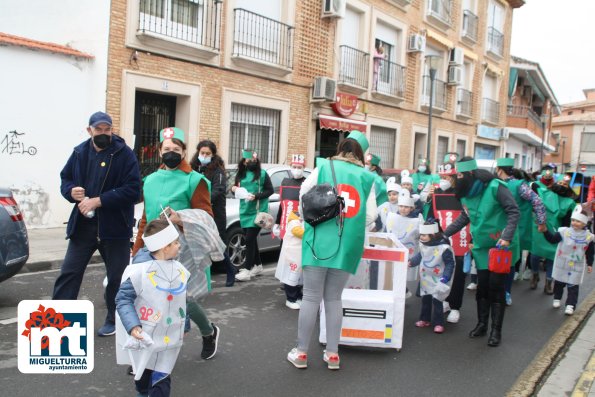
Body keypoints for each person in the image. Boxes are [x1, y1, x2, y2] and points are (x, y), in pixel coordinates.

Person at [287, 130, 377, 370]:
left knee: (310, 297)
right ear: (361, 154)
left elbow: (304, 193)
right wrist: (350, 224)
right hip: (347, 245)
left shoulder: (324, 167)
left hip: (318, 240)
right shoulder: (367, 177)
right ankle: (333, 354)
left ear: (340, 148)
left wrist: (314, 218)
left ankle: (302, 353)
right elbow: (371, 215)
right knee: (334, 298)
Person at [132, 127, 220, 361]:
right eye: (167, 149)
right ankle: (149, 351)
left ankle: (208, 331)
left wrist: (181, 217)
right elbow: (145, 219)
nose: (171, 152)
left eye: (176, 149)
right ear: (160, 151)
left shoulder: (195, 180)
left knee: (184, 299)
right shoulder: (150, 180)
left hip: (180, 248)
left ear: (183, 152)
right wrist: (136, 249)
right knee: (149, 299)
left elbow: (206, 216)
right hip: (151, 248)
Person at [53, 111, 141, 336]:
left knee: (117, 278)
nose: (103, 133)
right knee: (69, 273)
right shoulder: (79, 152)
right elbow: (66, 179)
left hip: (115, 228)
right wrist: (70, 191)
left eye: (107, 129)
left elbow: (133, 191)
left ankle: (115, 320)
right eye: (98, 129)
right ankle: (59, 322)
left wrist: (98, 201)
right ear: (89, 130)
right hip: (83, 227)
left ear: (112, 129)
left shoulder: (125, 154)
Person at [443, 157, 520, 347]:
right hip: (481, 247)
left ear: (470, 174)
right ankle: (482, 324)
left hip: (501, 246)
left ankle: (496, 331)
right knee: (482, 287)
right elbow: (465, 216)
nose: (457, 178)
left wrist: (507, 236)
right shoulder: (466, 193)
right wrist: (443, 234)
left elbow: (513, 211)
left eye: (460, 175)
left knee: (496, 287)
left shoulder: (496, 187)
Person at [116, 218, 187, 397]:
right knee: (144, 382)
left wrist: (184, 324)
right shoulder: (139, 271)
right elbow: (123, 299)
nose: (179, 245)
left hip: (169, 338)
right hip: (145, 337)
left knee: (161, 382)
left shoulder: (177, 268)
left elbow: (182, 299)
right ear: (164, 247)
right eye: (175, 242)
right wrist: (133, 326)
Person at [495, 157, 547, 305]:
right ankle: (505, 293)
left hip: (497, 228)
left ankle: (500, 292)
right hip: (513, 229)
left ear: (499, 170)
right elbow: (537, 201)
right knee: (508, 262)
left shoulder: (497, 184)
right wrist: (541, 221)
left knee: (497, 260)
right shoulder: (520, 185)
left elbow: (536, 201)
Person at [425, 162, 471, 324]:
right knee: (443, 272)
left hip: (461, 238)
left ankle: (455, 307)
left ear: (453, 178)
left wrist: (472, 240)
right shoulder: (437, 193)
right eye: (441, 177)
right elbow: (432, 217)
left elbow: (470, 216)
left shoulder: (463, 194)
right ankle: (444, 300)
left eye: (446, 177)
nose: (443, 180)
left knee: (458, 274)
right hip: (442, 240)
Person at [190, 139, 237, 287]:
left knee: (217, 244)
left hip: (215, 213)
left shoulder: (218, 171)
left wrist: (202, 200)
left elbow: (218, 190)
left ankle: (230, 270)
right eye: (202, 153)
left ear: (213, 155)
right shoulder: (193, 168)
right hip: (196, 213)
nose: (204, 155)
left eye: (207, 153)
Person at [529, 175, 577, 294]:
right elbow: (533, 186)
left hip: (555, 231)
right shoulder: (543, 193)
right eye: (560, 182)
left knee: (552, 257)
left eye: (565, 184)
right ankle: (535, 275)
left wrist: (563, 234)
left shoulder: (569, 203)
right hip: (539, 228)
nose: (561, 185)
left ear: (569, 188)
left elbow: (567, 222)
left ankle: (548, 283)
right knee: (534, 255)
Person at [541, 208, 594, 315]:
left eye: (578, 221)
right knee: (559, 282)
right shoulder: (564, 232)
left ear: (584, 223)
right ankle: (557, 298)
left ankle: (570, 305)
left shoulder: (588, 237)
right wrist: (545, 231)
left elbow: (590, 251)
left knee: (573, 285)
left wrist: (589, 264)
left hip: (576, 265)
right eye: (573, 220)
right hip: (562, 263)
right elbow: (552, 240)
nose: (575, 223)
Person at [232, 149, 274, 281]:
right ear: (244, 161)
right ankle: (258, 265)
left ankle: (247, 269)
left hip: (258, 213)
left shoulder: (262, 174)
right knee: (251, 240)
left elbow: (270, 190)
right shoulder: (240, 174)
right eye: (248, 160)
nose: (251, 163)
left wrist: (256, 196)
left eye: (253, 160)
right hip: (244, 211)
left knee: (249, 240)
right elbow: (234, 189)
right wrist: (234, 190)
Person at [409, 221, 455, 334]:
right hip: (426, 277)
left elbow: (450, 263)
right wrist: (411, 262)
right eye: (421, 235)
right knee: (426, 299)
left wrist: (446, 277)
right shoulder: (423, 245)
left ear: (433, 235)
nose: (421, 237)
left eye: (424, 235)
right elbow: (421, 256)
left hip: (439, 278)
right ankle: (425, 319)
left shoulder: (444, 248)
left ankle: (438, 323)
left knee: (437, 300)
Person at [274, 154, 307, 308]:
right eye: (294, 167)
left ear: (303, 168)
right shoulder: (285, 182)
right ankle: (289, 289)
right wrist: (276, 223)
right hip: (286, 227)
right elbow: (282, 205)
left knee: (297, 262)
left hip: (298, 227)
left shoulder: (306, 185)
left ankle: (295, 290)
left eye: (299, 167)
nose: (296, 170)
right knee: (287, 260)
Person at [275, 210, 305, 309]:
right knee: (291, 278)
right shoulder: (294, 222)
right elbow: (299, 232)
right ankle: (290, 299)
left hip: (299, 255)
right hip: (291, 255)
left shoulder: (302, 221)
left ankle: (298, 297)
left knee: (298, 279)